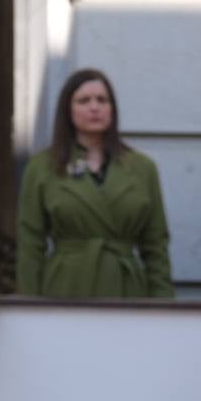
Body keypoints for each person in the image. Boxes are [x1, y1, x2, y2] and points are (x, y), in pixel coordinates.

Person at [16, 68, 173, 298]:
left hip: (126, 289)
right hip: (66, 288)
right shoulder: (42, 168)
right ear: (67, 110)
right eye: (83, 101)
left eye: (102, 100)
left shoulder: (142, 168)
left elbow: (156, 245)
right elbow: (30, 244)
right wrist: (28, 306)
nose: (94, 107)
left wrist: (163, 307)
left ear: (112, 109)